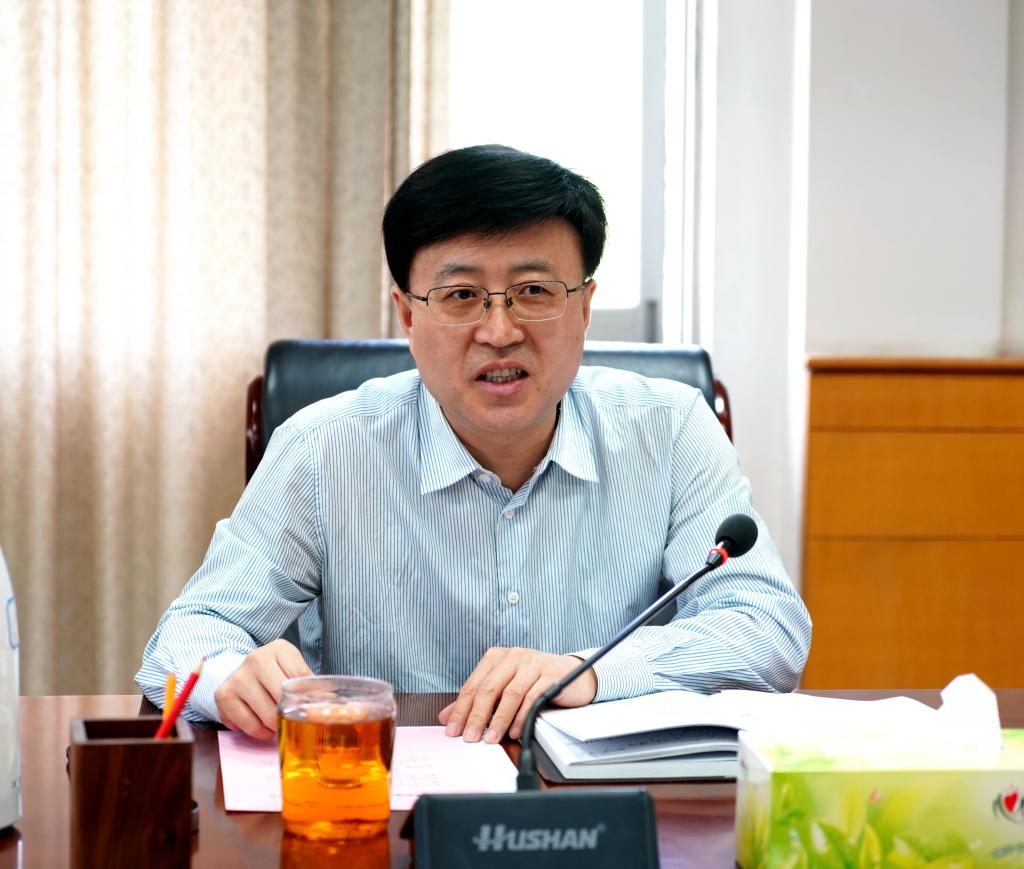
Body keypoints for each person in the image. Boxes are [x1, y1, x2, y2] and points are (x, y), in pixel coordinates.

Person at [136, 144, 811, 744]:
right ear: (408, 315)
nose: (499, 331)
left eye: (533, 291)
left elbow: (767, 627)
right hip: (380, 800)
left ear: (584, 307)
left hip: (601, 805)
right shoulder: (324, 449)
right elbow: (188, 633)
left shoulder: (671, 430)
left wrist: (592, 671)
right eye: (461, 295)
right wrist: (229, 674)